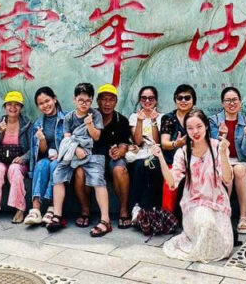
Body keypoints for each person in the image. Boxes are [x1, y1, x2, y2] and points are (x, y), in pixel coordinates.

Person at [151, 109, 233, 262]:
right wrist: (160, 157)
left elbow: (227, 179)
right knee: (207, 224)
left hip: (218, 204)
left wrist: (223, 153)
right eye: (190, 128)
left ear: (206, 126)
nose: (195, 132)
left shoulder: (217, 147)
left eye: (199, 126)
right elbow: (172, 183)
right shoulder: (183, 152)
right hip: (194, 205)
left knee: (225, 246)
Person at [46, 83, 111, 237]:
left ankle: (105, 220)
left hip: (92, 154)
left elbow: (96, 136)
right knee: (58, 174)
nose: (84, 104)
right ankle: (57, 215)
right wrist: (76, 149)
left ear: (91, 101)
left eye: (88, 101)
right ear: (74, 99)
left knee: (98, 179)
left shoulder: (95, 115)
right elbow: (67, 139)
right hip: (72, 153)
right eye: (81, 100)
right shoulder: (69, 117)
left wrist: (89, 125)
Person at [76, 84, 133, 228]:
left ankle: (124, 210)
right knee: (79, 172)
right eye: (104, 99)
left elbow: (124, 144)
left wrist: (119, 151)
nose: (107, 103)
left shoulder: (121, 120)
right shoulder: (89, 117)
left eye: (111, 100)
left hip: (112, 160)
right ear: (98, 101)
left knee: (120, 169)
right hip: (92, 159)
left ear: (116, 102)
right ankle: (85, 210)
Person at [209, 86, 246, 234]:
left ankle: (244, 216)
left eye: (235, 100)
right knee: (226, 170)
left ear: (240, 102)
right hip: (221, 161)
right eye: (228, 100)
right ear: (222, 103)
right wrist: (220, 136)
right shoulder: (214, 121)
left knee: (239, 169)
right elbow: (213, 149)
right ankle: (223, 216)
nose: (232, 103)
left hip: (242, 162)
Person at [0, 91, 32, 224]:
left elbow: (33, 147)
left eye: (17, 104)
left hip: (18, 160)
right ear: (5, 107)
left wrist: (24, 158)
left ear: (21, 107)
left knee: (14, 170)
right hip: (0, 159)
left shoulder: (27, 123)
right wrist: (0, 132)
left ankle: (20, 208)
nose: (13, 107)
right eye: (9, 104)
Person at [23, 86, 66, 225]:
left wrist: (60, 154)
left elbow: (72, 141)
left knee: (55, 165)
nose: (45, 105)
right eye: (41, 103)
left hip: (64, 159)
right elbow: (42, 152)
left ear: (54, 99)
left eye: (47, 101)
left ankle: (52, 207)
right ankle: (35, 210)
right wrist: (41, 139)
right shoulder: (38, 123)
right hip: (48, 157)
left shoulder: (66, 118)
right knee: (41, 164)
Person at [127, 84, 163, 224]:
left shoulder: (162, 117)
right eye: (143, 98)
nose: (147, 101)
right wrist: (140, 121)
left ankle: (149, 208)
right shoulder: (134, 117)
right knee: (140, 166)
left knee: (152, 165)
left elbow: (157, 141)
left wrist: (153, 121)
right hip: (140, 154)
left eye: (151, 98)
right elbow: (138, 141)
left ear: (156, 100)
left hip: (155, 154)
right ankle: (136, 207)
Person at [160, 84, 196, 214]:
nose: (183, 101)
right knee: (170, 181)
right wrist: (177, 144)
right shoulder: (169, 118)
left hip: (194, 161)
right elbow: (164, 143)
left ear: (193, 100)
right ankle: (167, 216)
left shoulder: (198, 117)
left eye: (187, 98)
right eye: (180, 98)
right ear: (175, 100)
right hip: (173, 162)